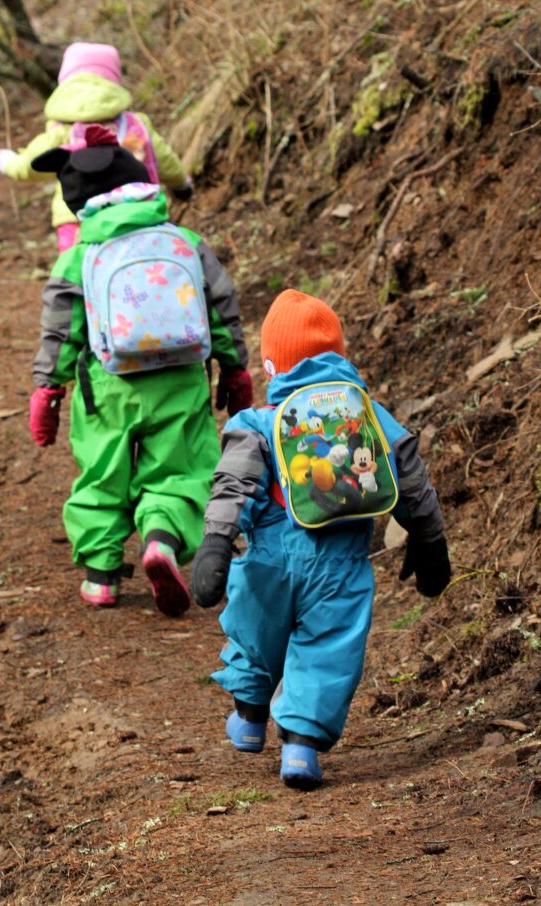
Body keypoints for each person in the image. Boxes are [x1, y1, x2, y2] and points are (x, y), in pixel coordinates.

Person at [190, 289, 451, 789]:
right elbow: (411, 478)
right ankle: (301, 750)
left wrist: (217, 542)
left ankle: (248, 718)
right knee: (327, 647)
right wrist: (429, 540)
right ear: (340, 356)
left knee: (255, 632)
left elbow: (234, 484)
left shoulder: (258, 422)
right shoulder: (367, 415)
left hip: (269, 557)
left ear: (271, 366)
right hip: (340, 564)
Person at [27, 124, 252, 616]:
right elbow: (221, 307)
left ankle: (101, 576)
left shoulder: (78, 258)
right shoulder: (186, 242)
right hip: (182, 378)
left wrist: (48, 388)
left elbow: (62, 332)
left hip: (108, 387)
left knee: (103, 471)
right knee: (180, 469)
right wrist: (235, 368)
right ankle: (161, 540)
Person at [0, 41, 194, 252]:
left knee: (73, 275)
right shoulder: (136, 125)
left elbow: (29, 166)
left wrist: (6, 162)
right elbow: (164, 160)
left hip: (76, 220)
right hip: (137, 216)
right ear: (114, 81)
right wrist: (182, 185)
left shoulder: (62, 131)